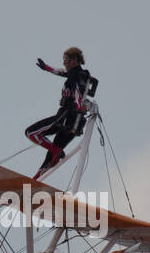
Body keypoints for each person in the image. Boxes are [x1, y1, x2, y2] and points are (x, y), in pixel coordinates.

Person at [27, 47, 98, 180]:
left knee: (31, 133)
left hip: (66, 116)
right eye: (63, 60)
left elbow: (78, 91)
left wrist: (77, 105)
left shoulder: (78, 75)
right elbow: (62, 72)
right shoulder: (77, 74)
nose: (64, 63)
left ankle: (57, 152)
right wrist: (46, 67)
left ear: (75, 60)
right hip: (74, 121)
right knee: (50, 159)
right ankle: (36, 179)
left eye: (66, 60)